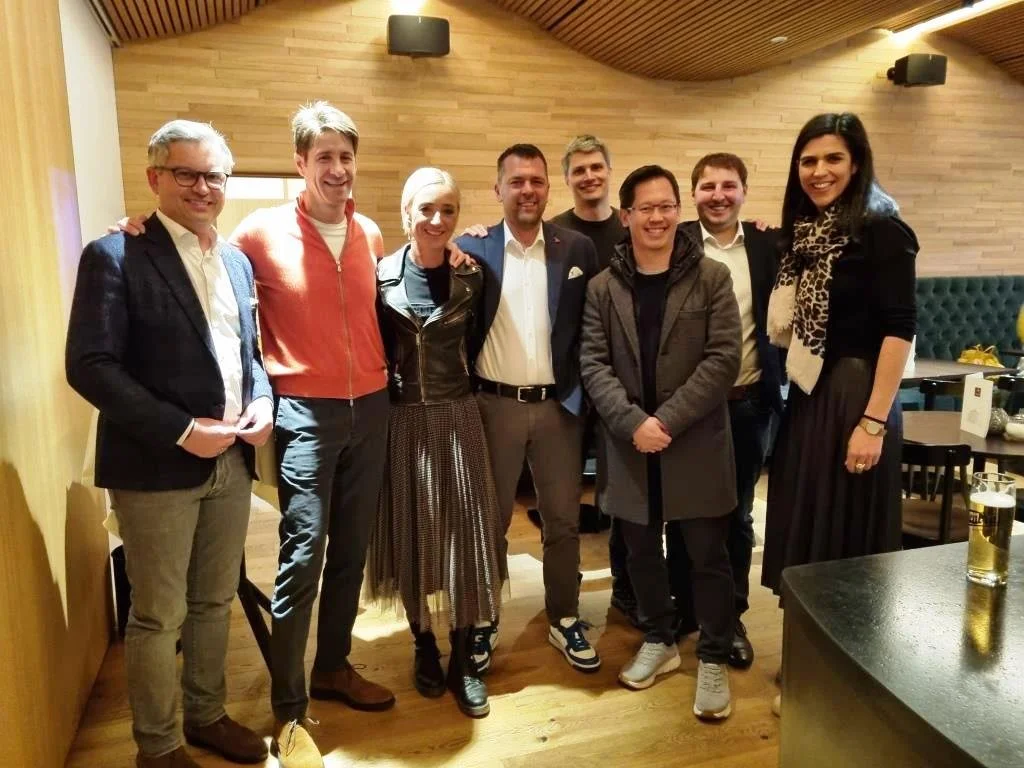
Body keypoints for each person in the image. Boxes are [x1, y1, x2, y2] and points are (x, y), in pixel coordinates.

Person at [66, 120, 272, 768]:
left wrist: (263, 401)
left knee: (214, 600)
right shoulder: (114, 254)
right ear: (155, 177)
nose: (203, 187)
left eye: (214, 175)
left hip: (232, 462)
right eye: (187, 173)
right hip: (155, 467)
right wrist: (182, 430)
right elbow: (90, 365)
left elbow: (249, 353)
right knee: (158, 615)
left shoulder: (235, 260)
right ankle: (157, 747)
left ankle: (206, 716)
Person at [760, 113, 917, 710]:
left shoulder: (883, 230)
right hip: (810, 394)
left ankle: (846, 676)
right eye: (809, 160)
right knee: (807, 529)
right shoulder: (804, 235)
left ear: (856, 165)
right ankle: (805, 662)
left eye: (832, 159)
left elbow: (899, 331)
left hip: (858, 397)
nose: (819, 171)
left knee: (847, 537)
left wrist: (873, 423)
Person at [581, 164, 740, 719]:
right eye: (645, 208)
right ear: (626, 216)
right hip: (630, 446)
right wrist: (633, 424)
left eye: (667, 206)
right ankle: (660, 638)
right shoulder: (602, 287)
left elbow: (723, 359)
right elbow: (592, 363)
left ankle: (713, 654)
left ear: (679, 210)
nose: (657, 217)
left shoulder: (712, 277)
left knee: (707, 556)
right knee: (641, 553)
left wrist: (665, 421)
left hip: (694, 440)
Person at [454, 144, 601, 675]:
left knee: (563, 521)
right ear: (498, 189)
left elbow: (592, 326)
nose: (527, 190)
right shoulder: (472, 248)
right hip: (494, 407)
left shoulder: (576, 248)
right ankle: (484, 619)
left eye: (537, 181)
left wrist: (583, 396)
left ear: (547, 188)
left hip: (559, 408)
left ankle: (564, 615)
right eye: (516, 181)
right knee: (489, 522)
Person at [366, 168, 505, 718]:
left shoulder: (474, 276)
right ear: (406, 213)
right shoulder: (379, 276)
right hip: (402, 420)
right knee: (411, 532)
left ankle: (463, 655)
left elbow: (479, 338)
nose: (437, 219)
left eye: (448, 209)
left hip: (458, 414)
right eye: (425, 208)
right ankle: (422, 642)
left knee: (464, 537)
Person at [667, 153, 785, 669]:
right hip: (688, 407)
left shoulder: (768, 244)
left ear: (743, 191)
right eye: (708, 186)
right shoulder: (673, 242)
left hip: (748, 404)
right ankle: (684, 608)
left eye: (728, 186)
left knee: (737, 515)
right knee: (682, 513)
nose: (718, 195)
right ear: (693, 194)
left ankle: (731, 615)